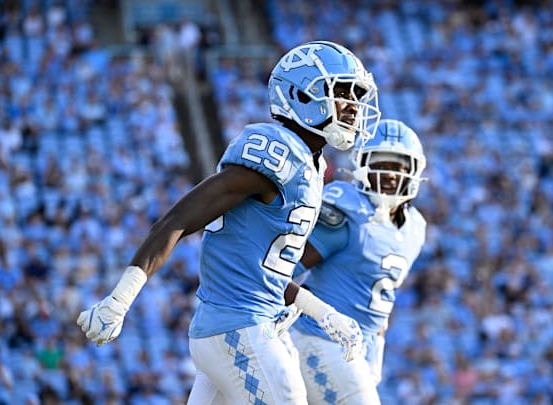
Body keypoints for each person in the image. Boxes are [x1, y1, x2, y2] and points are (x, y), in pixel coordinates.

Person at [76, 40, 381, 405]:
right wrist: (118, 301)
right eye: (342, 92)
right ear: (302, 95)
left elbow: (264, 274)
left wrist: (326, 314)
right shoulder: (278, 153)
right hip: (242, 328)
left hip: (251, 325)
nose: (353, 106)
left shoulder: (311, 165)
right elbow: (177, 220)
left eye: (355, 95)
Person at [289, 119, 428, 404]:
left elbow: (381, 297)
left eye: (398, 167)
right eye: (382, 165)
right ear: (363, 166)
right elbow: (278, 272)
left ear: (414, 171)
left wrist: (375, 349)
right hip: (320, 338)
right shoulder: (348, 209)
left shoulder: (415, 227)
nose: (390, 175)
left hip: (358, 348)